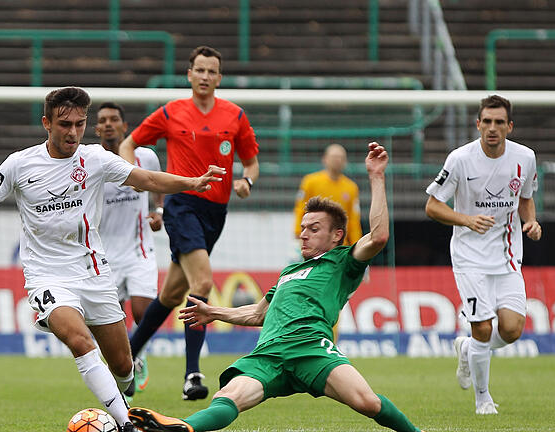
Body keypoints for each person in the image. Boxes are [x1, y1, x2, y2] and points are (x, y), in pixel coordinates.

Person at [0, 87, 224, 430]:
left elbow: (148, 178)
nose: (73, 132)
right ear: (46, 123)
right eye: (65, 124)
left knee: (123, 366)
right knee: (80, 340)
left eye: (80, 124)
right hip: (47, 275)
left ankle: (124, 391)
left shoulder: (94, 158)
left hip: (93, 272)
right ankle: (128, 423)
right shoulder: (20, 164)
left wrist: (192, 182)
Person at [128, 143, 425, 432]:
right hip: (269, 354)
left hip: (310, 349)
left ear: (337, 235)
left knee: (368, 403)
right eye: (303, 227)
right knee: (227, 397)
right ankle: (184, 428)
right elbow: (258, 314)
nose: (303, 234)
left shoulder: (344, 261)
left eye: (314, 229)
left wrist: (376, 176)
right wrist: (214, 312)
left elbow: (379, 237)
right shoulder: (290, 271)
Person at [118, 45, 260, 400]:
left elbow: (251, 162)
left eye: (212, 71)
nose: (205, 77)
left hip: (216, 212)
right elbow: (129, 143)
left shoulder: (235, 116)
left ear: (219, 77)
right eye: (199, 70)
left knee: (171, 294)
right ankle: (193, 374)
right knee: (204, 281)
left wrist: (247, 182)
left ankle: (126, 356)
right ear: (189, 74)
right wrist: (131, 176)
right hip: (181, 205)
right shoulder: (171, 112)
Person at [424, 95, 542, 415]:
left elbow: (526, 198)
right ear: (478, 124)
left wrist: (530, 221)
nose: (492, 128)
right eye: (486, 122)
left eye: (499, 122)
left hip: (506, 256)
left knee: (512, 329)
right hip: (469, 257)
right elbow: (433, 205)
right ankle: (483, 399)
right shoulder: (460, 159)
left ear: (509, 126)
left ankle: (469, 349)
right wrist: (466, 220)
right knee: (483, 327)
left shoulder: (525, 157)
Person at [95, 101, 164, 393]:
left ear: (125, 127)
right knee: (112, 319)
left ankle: (138, 353)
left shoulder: (144, 157)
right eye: (103, 120)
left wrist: (159, 211)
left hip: (139, 250)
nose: (109, 124)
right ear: (96, 128)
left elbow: (157, 184)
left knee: (141, 311)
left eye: (114, 119)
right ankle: (124, 364)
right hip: (104, 253)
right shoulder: (90, 161)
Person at [294, 143, 362, 246]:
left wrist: (356, 243)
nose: (337, 160)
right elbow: (300, 208)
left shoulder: (351, 187)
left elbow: (354, 218)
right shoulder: (310, 182)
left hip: (340, 245)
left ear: (345, 161)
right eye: (334, 157)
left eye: (341, 158)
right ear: (325, 159)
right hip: (314, 241)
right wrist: (298, 232)